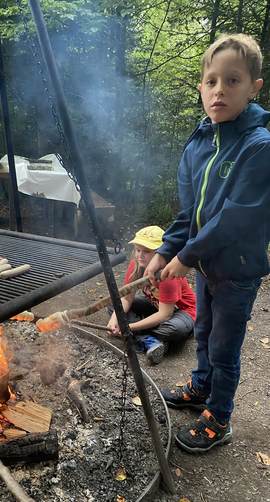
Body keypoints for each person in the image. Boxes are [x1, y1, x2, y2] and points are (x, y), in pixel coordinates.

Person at [145, 34, 270, 454]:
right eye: (211, 81)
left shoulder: (259, 147)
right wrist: (165, 251)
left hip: (236, 270)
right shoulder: (198, 144)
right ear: (201, 87)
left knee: (224, 346)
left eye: (232, 80)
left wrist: (186, 256)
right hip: (206, 267)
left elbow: (237, 216)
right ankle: (200, 390)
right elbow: (188, 216)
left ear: (254, 87)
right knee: (203, 331)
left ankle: (219, 416)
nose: (219, 90)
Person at [107, 225, 196, 364]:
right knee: (114, 305)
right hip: (155, 305)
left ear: (160, 253)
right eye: (137, 250)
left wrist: (128, 327)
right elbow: (126, 299)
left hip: (181, 312)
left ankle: (143, 335)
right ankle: (150, 340)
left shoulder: (166, 274)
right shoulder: (135, 266)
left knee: (172, 329)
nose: (140, 256)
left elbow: (165, 315)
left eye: (147, 251)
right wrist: (115, 319)